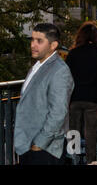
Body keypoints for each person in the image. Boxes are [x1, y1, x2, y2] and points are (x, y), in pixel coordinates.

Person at [14, 23, 74, 165]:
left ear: (53, 45)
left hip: (45, 150)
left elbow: (58, 112)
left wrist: (39, 143)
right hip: (28, 146)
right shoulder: (37, 66)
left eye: (39, 41)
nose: (33, 45)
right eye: (32, 39)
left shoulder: (60, 71)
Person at [66, 21, 97, 164]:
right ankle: (91, 161)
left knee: (74, 130)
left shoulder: (72, 54)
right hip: (94, 98)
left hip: (75, 98)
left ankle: (73, 160)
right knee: (91, 132)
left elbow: (66, 77)